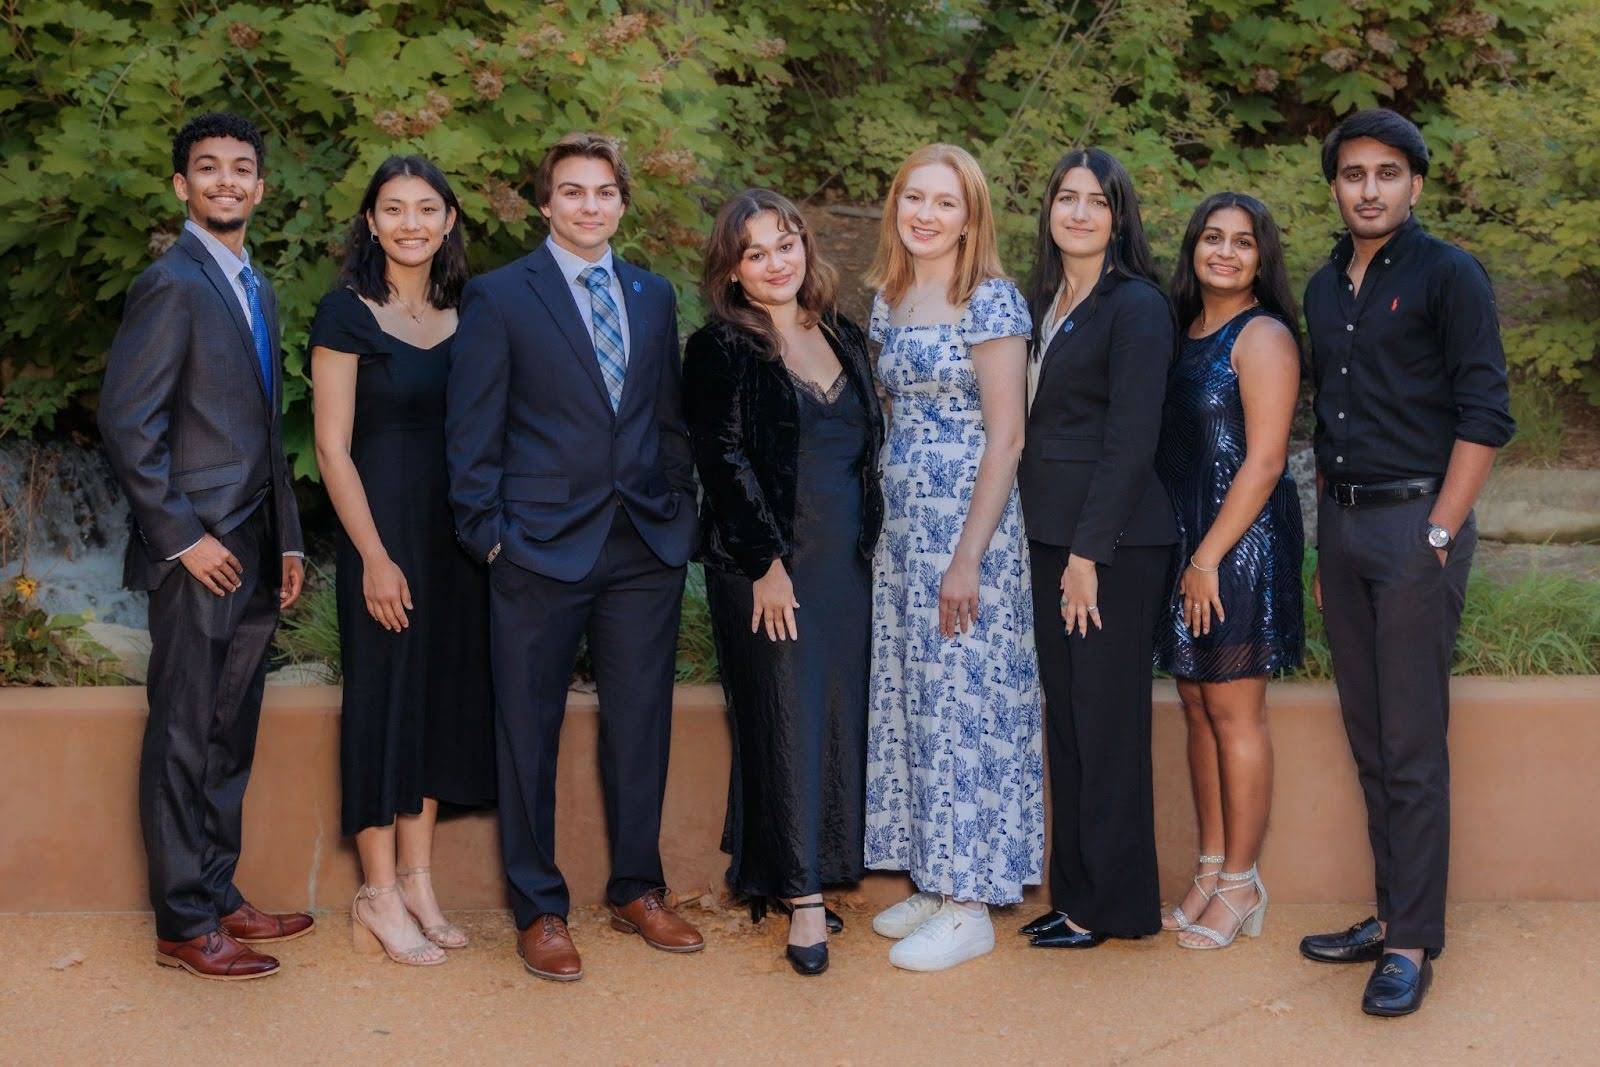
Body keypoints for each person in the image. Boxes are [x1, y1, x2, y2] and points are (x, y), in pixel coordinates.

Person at [445, 132, 703, 982]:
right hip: (535, 550)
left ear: (622, 202)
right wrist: (489, 536)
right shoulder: (499, 295)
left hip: (643, 546)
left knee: (641, 726)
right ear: (546, 203)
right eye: (571, 191)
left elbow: (666, 416)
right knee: (529, 732)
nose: (589, 205)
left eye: (603, 192)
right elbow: (473, 430)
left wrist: (679, 513)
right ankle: (540, 906)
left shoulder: (653, 294)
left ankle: (638, 887)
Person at [1297, 109, 1513, 1017]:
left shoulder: (1448, 273)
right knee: (1371, 739)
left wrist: (1439, 529)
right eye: (1354, 174)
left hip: (1416, 526)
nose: (1370, 188)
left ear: (1415, 184)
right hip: (1344, 530)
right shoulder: (1320, 286)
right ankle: (1392, 915)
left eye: (1388, 172)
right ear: (1337, 186)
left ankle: (1415, 942)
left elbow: (1486, 411)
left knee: (1413, 744)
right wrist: (1325, 542)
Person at [98, 112, 309, 981]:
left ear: (260, 187)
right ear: (182, 186)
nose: (228, 181)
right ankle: (183, 921)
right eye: (208, 168)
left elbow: (263, 427)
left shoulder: (254, 286)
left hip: (256, 544)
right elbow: (126, 421)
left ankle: (218, 891)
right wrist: (181, 537)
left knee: (230, 730)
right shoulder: (173, 282)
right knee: (187, 730)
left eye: (243, 168)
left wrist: (290, 538)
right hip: (200, 552)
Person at [684, 189, 884, 977]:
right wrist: (766, 565)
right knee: (788, 715)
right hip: (767, 567)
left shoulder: (843, 331)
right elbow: (723, 465)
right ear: (731, 272)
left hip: (846, 564)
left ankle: (798, 868)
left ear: (806, 246)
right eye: (755, 252)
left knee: (833, 714)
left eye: (786, 243)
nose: (776, 262)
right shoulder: (719, 347)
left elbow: (866, 451)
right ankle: (801, 897)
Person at [310, 156, 495, 967]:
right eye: (394, 209)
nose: (411, 222)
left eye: (427, 208)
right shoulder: (344, 313)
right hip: (381, 535)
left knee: (436, 702)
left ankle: (419, 880)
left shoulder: (470, 310)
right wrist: (375, 557)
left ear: (449, 220)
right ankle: (376, 893)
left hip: (454, 539)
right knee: (384, 701)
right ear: (372, 221)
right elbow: (331, 446)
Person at [862, 143, 1042, 972]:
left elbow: (1006, 437)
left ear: (972, 218)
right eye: (914, 199)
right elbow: (893, 419)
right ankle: (936, 875)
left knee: (967, 704)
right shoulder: (888, 299)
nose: (926, 215)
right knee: (917, 701)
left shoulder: (990, 300)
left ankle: (971, 901)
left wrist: (967, 556)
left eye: (945, 203)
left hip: (971, 533)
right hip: (904, 533)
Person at [1014, 147, 1178, 950]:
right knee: (1071, 723)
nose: (1079, 212)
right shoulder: (1046, 299)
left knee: (1106, 722)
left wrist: (1087, 554)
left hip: (1110, 546)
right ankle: (1076, 893)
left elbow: (1130, 438)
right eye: (1066, 197)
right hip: (1050, 537)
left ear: (1120, 216)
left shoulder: (1136, 305)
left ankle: (1114, 905)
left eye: (1097, 201)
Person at [1153, 192, 1304, 950]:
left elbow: (1267, 458)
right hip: (1189, 545)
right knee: (1198, 706)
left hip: (1238, 545)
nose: (1224, 251)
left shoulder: (1263, 334)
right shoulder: (1182, 333)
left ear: (1260, 257)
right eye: (1212, 237)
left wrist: (1210, 556)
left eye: (1242, 242)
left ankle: (1244, 882)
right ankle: (1211, 866)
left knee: (1236, 712)